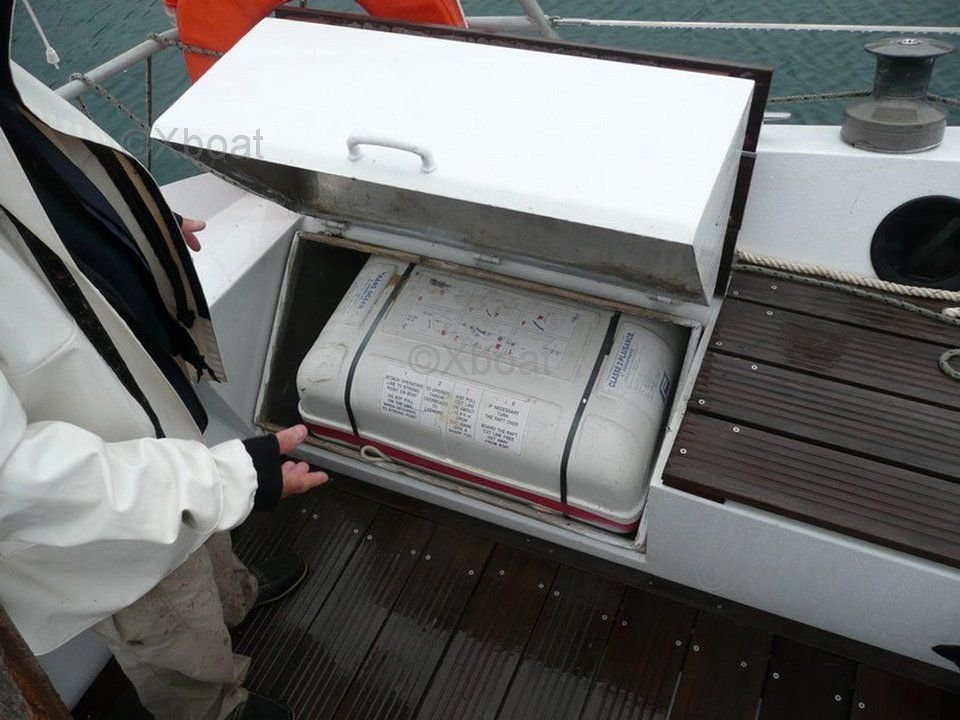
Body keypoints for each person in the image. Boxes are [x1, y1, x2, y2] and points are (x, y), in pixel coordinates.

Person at [0, 1, 325, 718]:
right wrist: (232, 477)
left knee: (200, 532)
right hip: (93, 496)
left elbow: (43, 193)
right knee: (166, 616)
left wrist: (141, 223)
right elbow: (16, 481)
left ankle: (234, 597)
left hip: (144, 382)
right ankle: (210, 708)